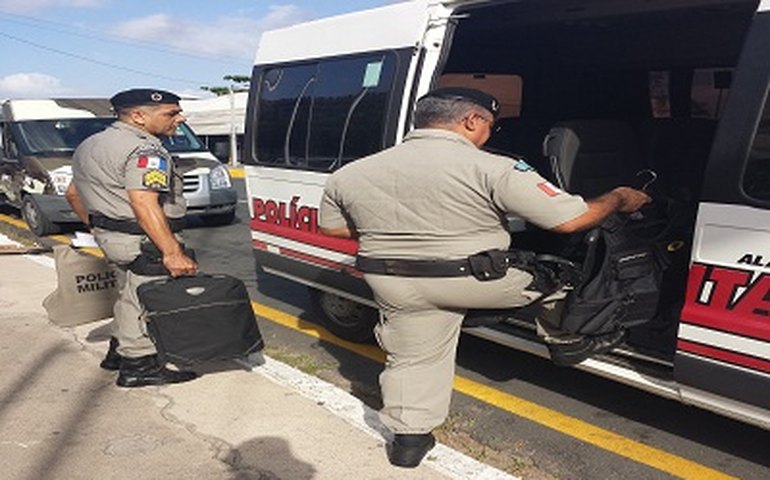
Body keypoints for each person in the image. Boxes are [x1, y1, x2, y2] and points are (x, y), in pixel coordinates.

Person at [319, 87, 651, 468]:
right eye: (490, 126)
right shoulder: (494, 167)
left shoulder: (353, 172)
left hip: (393, 284)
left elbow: (334, 229)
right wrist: (619, 199)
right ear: (471, 120)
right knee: (565, 273)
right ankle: (567, 339)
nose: (490, 135)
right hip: (479, 282)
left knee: (413, 357)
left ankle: (408, 442)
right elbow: (570, 220)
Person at [65, 88, 199, 388]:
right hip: (141, 240)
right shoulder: (146, 151)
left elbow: (73, 194)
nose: (180, 118)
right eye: (171, 113)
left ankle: (118, 352)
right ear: (138, 116)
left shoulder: (91, 144)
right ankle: (138, 364)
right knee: (144, 299)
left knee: (128, 293)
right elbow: (144, 203)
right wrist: (172, 252)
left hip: (113, 237)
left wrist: (101, 227)